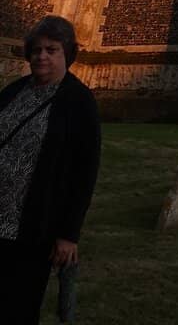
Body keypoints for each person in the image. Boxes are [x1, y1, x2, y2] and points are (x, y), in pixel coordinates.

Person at [0, 16, 101, 324]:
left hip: (33, 225)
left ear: (66, 55)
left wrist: (69, 235)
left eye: (52, 50)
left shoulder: (79, 101)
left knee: (18, 305)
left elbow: (84, 172)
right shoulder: (14, 91)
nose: (42, 56)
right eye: (37, 50)